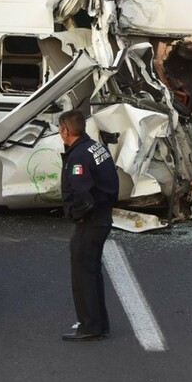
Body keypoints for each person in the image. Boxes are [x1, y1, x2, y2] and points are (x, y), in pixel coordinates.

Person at [59, 109, 119, 342]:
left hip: (91, 222)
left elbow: (83, 194)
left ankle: (90, 326)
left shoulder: (78, 157)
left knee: (83, 275)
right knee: (92, 273)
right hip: (102, 218)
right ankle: (98, 323)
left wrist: (76, 214)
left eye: (59, 129)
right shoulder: (95, 147)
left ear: (66, 130)